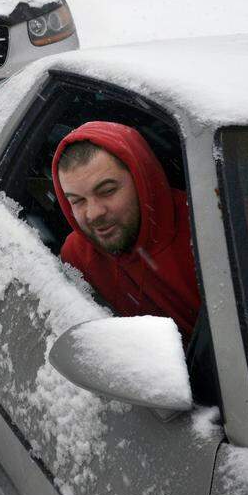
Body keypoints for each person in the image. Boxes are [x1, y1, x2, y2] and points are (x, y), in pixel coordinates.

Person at [51, 121, 202, 339]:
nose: (93, 213)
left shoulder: (210, 230)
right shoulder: (78, 256)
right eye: (77, 201)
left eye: (107, 191)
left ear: (142, 179)